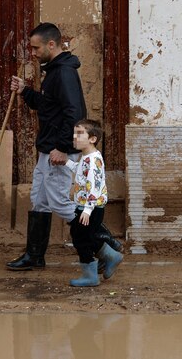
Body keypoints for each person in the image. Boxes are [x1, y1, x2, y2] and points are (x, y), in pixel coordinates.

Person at [6, 22, 121, 270]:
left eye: (36, 48)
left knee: (59, 202)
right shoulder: (54, 71)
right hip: (47, 150)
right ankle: (35, 256)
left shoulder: (64, 73)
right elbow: (47, 107)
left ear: (51, 44)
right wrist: (25, 91)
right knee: (39, 200)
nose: (33, 53)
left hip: (57, 151)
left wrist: (60, 146)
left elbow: (74, 113)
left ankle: (103, 244)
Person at [65, 119, 123, 287]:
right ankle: (111, 256)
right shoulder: (87, 157)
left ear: (93, 139)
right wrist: (67, 163)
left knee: (81, 239)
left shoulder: (93, 161)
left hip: (90, 208)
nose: (74, 137)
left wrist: (87, 210)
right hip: (85, 206)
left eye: (80, 134)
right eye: (74, 134)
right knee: (83, 236)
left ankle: (91, 275)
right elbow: (80, 172)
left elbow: (95, 186)